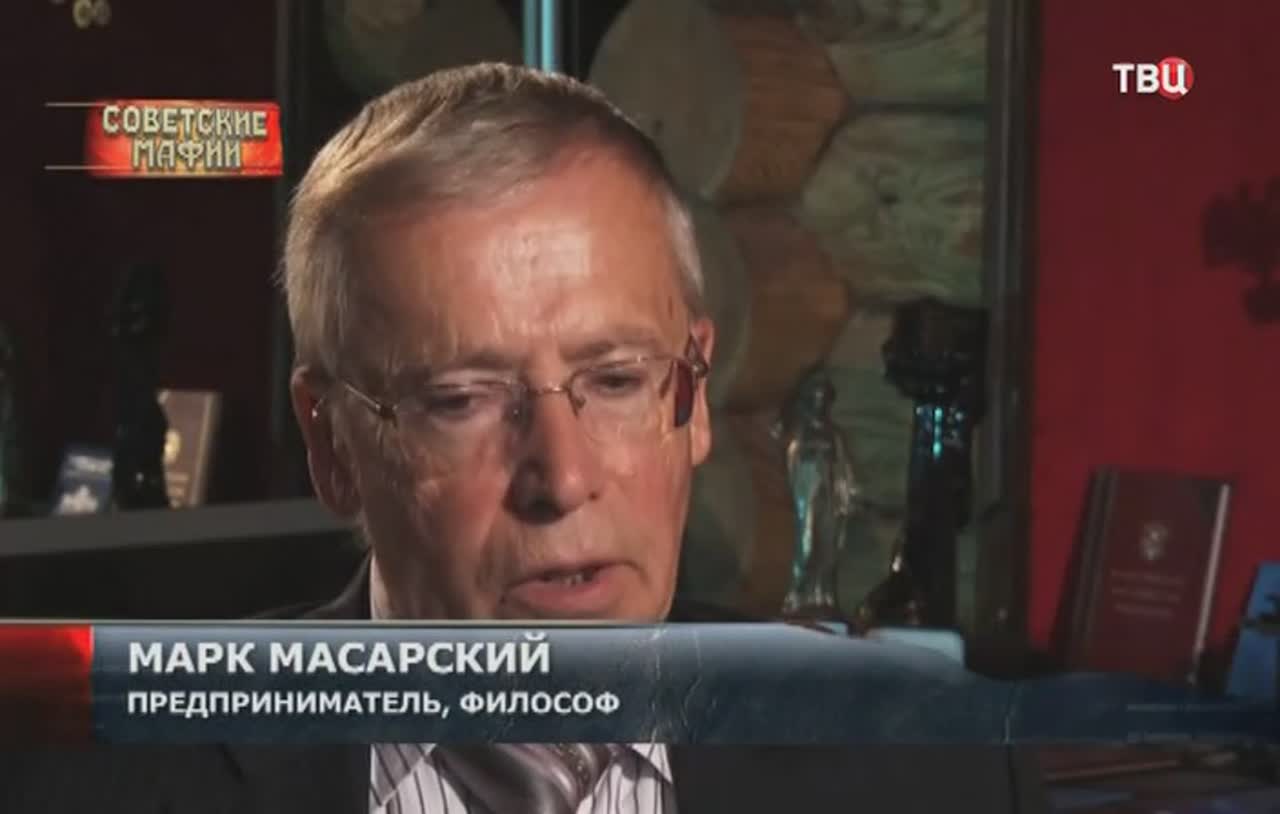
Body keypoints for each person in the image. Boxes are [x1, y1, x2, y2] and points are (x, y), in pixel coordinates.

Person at [2, 63, 1046, 814]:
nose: (563, 476)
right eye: (461, 399)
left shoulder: (934, 766)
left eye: (617, 380)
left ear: (691, 395)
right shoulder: (90, 783)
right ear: (331, 444)